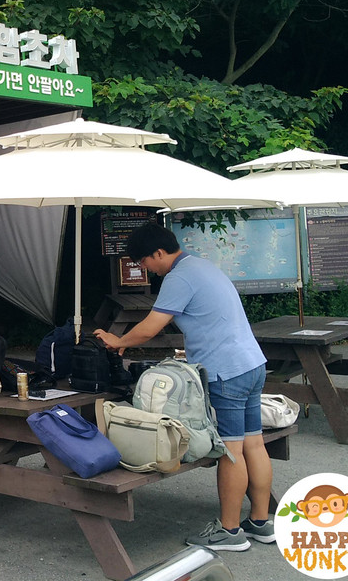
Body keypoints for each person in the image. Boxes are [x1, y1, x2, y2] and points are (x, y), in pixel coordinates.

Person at [93, 222, 273, 552]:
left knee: (231, 452)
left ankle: (230, 532)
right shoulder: (202, 265)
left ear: (159, 253)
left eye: (144, 261)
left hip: (226, 373)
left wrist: (119, 341)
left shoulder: (178, 276)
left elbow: (149, 328)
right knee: (253, 444)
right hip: (251, 363)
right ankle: (260, 522)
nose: (145, 269)